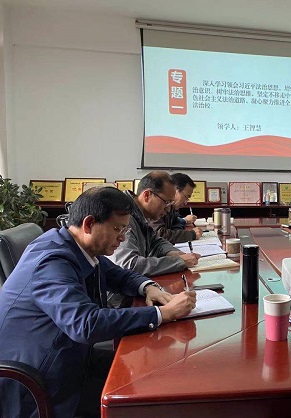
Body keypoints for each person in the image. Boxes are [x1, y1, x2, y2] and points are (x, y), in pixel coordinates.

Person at [0, 187, 197, 418]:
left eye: (125, 229)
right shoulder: (51, 261)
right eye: (117, 229)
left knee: (153, 374)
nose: (122, 237)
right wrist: (162, 313)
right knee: (144, 394)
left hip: (70, 355)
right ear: (89, 224)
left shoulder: (74, 245)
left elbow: (118, 274)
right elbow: (86, 324)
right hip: (37, 382)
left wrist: (148, 287)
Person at [108, 171, 200, 307]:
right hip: (117, 303)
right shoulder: (124, 216)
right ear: (147, 195)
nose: (168, 209)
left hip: (135, 290)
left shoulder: (140, 214)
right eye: (166, 202)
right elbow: (129, 265)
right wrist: (179, 261)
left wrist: (175, 253)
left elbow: (156, 241)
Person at [150, 172, 203, 244]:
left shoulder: (172, 207)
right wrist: (192, 234)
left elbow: (177, 225)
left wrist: (178, 234)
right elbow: (160, 234)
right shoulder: (158, 204)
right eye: (186, 197)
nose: (186, 202)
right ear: (175, 190)